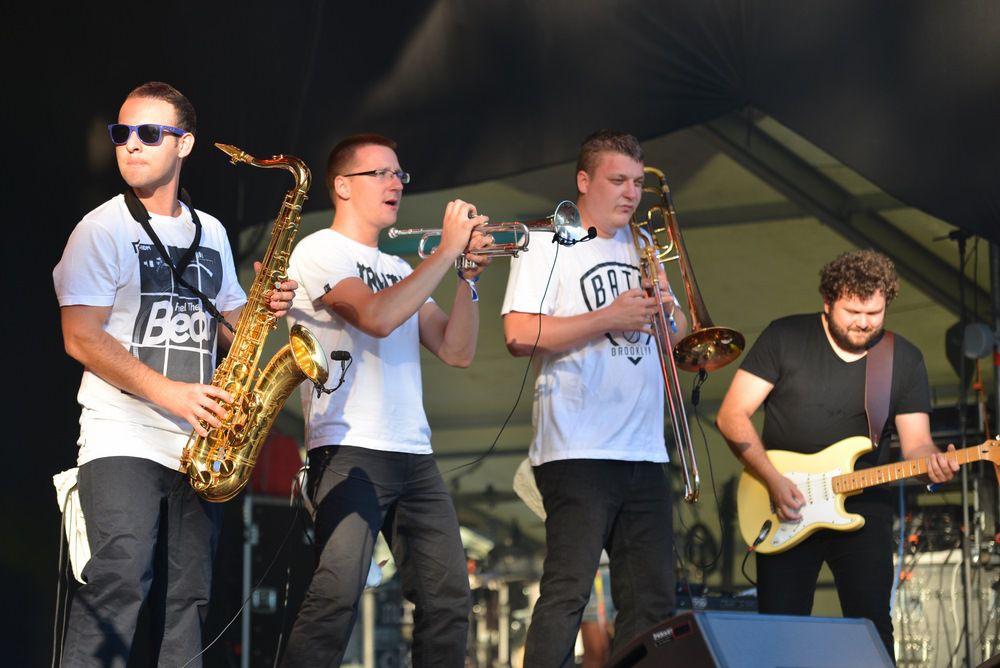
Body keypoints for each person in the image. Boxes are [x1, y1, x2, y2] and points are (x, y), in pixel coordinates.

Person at [52, 81, 297, 667]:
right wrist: (172, 394)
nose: (131, 145)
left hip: (198, 444)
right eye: (122, 133)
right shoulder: (100, 228)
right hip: (122, 434)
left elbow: (229, 327)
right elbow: (80, 336)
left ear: (184, 144)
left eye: (148, 133)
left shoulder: (211, 231)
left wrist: (262, 309)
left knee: (192, 599)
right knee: (118, 582)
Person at [280, 133, 492, 667]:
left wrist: (466, 280)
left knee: (448, 599)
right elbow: (374, 317)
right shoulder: (320, 250)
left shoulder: (399, 269)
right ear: (342, 186)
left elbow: (456, 350)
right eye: (381, 173)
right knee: (336, 595)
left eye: (400, 174)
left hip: (413, 452)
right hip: (348, 448)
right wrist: (446, 251)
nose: (396, 183)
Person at [501, 128, 689, 666]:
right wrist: (608, 317)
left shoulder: (644, 245)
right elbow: (518, 333)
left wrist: (668, 309)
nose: (631, 193)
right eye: (617, 180)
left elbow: (677, 337)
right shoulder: (545, 242)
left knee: (652, 601)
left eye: (637, 182)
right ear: (584, 181)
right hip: (576, 449)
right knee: (568, 592)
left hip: (644, 451)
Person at [715, 248, 959, 659]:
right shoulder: (784, 338)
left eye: (874, 313)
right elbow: (731, 415)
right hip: (784, 503)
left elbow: (917, 443)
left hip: (865, 507)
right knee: (780, 631)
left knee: (871, 627)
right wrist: (773, 480)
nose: (864, 322)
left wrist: (933, 464)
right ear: (827, 302)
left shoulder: (903, 359)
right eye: (852, 312)